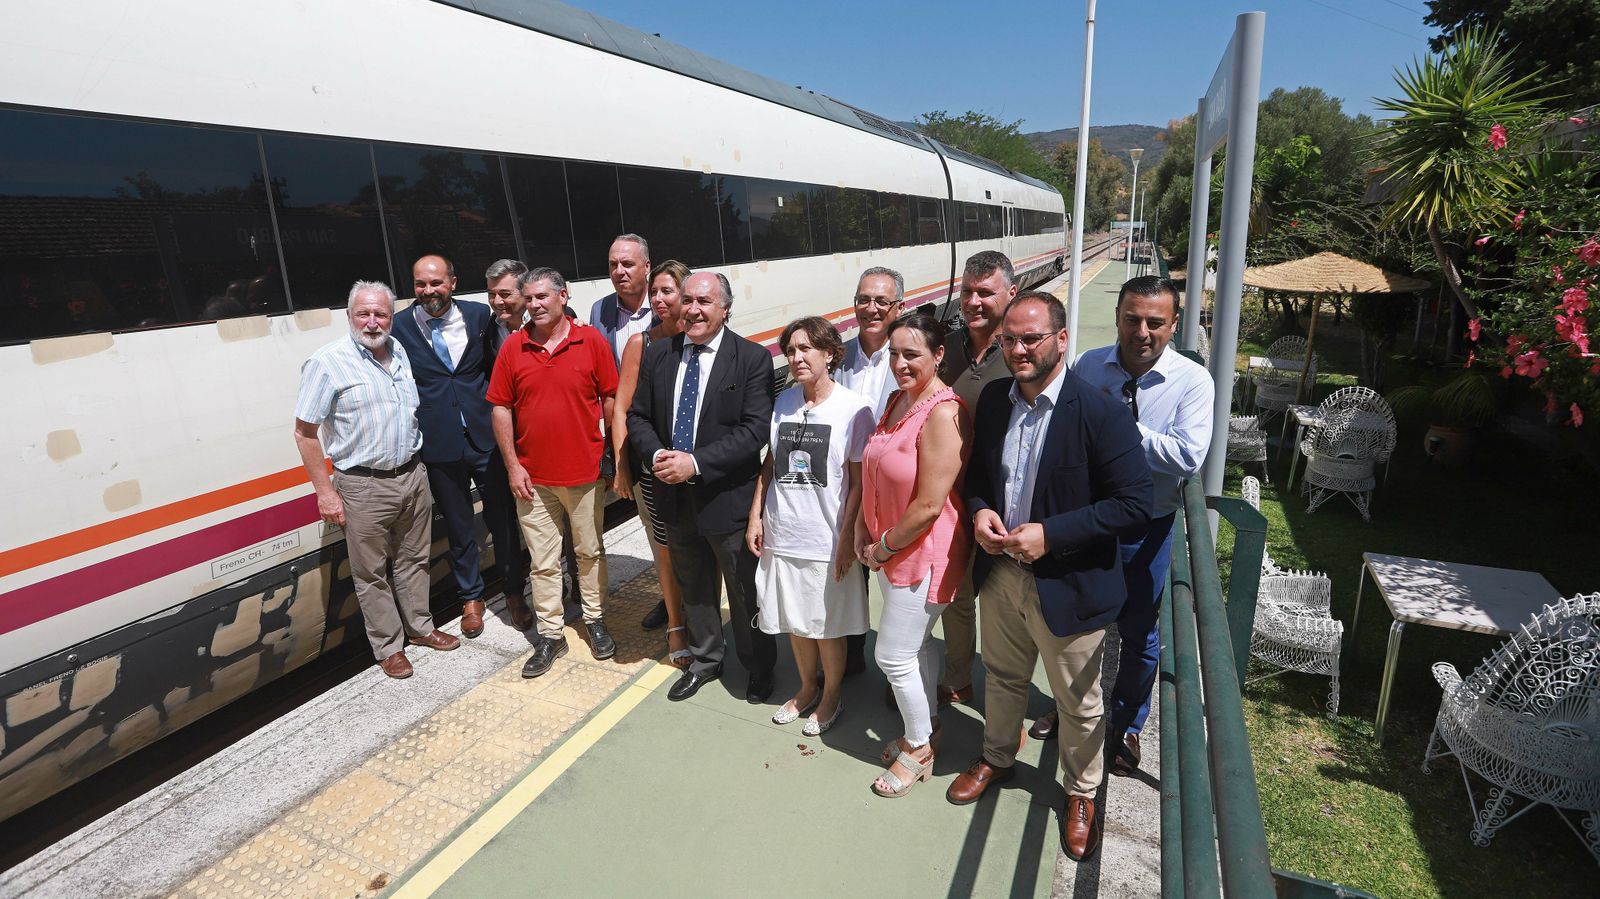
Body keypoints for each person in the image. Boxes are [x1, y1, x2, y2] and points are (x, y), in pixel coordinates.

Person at [946, 291, 1152, 863]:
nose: (1018, 349)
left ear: (1062, 339)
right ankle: (996, 756)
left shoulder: (1101, 411)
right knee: (1005, 677)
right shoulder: (993, 401)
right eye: (1010, 338)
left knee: (1078, 703)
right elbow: (982, 478)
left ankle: (1082, 795)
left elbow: (1134, 503)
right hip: (1002, 573)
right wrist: (982, 510)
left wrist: (1052, 534)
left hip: (1070, 582)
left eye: (1031, 338)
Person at [1025, 277, 1213, 776]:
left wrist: (1120, 431)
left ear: (1173, 324)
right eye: (1133, 319)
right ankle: (1068, 709)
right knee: (1074, 624)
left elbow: (1188, 456)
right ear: (1118, 319)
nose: (1143, 331)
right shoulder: (1089, 366)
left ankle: (1127, 723)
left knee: (1137, 632)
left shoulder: (1192, 382)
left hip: (1145, 528)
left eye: (1156, 322)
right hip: (1088, 522)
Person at [293, 281, 460, 678]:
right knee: (371, 574)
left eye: (380, 314)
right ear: (349, 317)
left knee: (414, 560)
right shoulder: (327, 362)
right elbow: (304, 432)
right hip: (363, 484)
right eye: (363, 314)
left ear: (390, 316)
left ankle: (420, 628)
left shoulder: (398, 350)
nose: (372, 322)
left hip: (411, 474)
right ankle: (389, 647)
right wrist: (325, 493)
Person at [626, 271, 777, 703]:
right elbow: (638, 416)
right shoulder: (659, 355)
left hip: (727, 498)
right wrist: (657, 456)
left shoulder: (750, 358)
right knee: (693, 585)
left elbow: (754, 431)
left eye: (704, 302)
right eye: (687, 299)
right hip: (674, 497)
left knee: (745, 592)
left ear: (725, 309)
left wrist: (694, 462)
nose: (692, 309)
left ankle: (758, 666)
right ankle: (706, 660)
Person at [856, 312, 972, 798]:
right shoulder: (897, 400)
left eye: (912, 355)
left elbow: (928, 505)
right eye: (895, 353)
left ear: (938, 355)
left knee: (893, 654)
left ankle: (920, 746)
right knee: (919, 646)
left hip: (922, 552)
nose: (900, 363)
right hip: (891, 550)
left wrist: (881, 546)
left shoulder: (944, 413)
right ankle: (926, 726)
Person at [488, 268, 620, 677]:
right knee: (542, 563)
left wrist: (615, 455)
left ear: (563, 296)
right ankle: (551, 634)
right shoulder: (514, 347)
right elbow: (500, 408)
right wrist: (513, 466)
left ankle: (595, 620)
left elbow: (610, 396)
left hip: (584, 473)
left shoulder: (590, 340)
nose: (534, 305)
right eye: (528, 299)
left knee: (589, 551)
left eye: (542, 297)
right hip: (533, 479)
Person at [747, 316, 874, 736]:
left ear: (830, 353)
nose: (796, 357)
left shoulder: (855, 409)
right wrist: (756, 516)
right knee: (796, 621)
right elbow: (770, 464)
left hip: (827, 536)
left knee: (826, 625)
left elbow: (857, 483)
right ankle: (805, 687)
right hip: (785, 533)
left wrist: (846, 540)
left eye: (806, 349)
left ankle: (831, 696)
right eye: (791, 350)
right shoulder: (784, 402)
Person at [389, 254, 499, 639]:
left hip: (484, 436)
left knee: (503, 517)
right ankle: (471, 597)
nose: (428, 291)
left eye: (436, 283)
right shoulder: (399, 326)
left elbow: (494, 367)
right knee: (459, 525)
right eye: (421, 284)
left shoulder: (479, 316)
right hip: (439, 443)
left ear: (453, 282)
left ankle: (516, 591)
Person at [934, 251, 1019, 705]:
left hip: (1007, 503)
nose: (973, 301)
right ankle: (957, 675)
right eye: (967, 291)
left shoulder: (1021, 350)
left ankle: (1008, 702)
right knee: (958, 597)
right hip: (952, 501)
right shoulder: (947, 349)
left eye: (985, 292)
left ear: (1011, 293)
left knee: (1006, 609)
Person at [587, 233, 670, 632]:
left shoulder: (667, 308)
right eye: (613, 265)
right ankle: (671, 600)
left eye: (628, 264)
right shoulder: (599, 310)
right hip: (625, 433)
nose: (619, 272)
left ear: (647, 266)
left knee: (681, 528)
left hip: (666, 432)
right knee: (652, 525)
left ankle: (690, 601)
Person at [612, 260, 693, 667]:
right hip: (653, 471)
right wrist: (623, 466)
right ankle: (676, 622)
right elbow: (621, 409)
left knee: (696, 548)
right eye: (655, 292)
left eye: (668, 291)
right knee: (663, 549)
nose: (659, 300)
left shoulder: (703, 341)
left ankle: (699, 616)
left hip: (695, 469)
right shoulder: (640, 344)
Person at [836, 266, 904, 678]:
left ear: (899, 306)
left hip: (890, 494)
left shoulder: (909, 354)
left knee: (894, 583)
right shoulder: (838, 355)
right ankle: (850, 657)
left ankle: (899, 671)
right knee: (846, 575)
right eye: (864, 299)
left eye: (882, 300)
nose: (872, 308)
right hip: (843, 486)